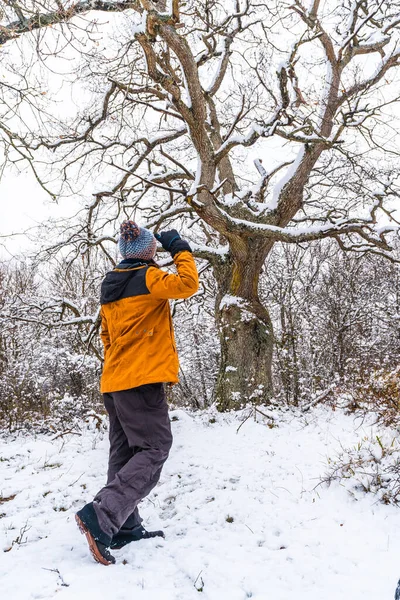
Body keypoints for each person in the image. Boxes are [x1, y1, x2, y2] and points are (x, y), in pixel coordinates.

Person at [75, 220, 199, 565]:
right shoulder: (147, 277)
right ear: (148, 252)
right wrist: (179, 247)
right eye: (154, 250)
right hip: (140, 381)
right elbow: (188, 283)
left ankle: (124, 526)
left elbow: (107, 338)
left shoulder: (110, 284)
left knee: (125, 452)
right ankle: (103, 514)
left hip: (114, 382)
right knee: (156, 447)